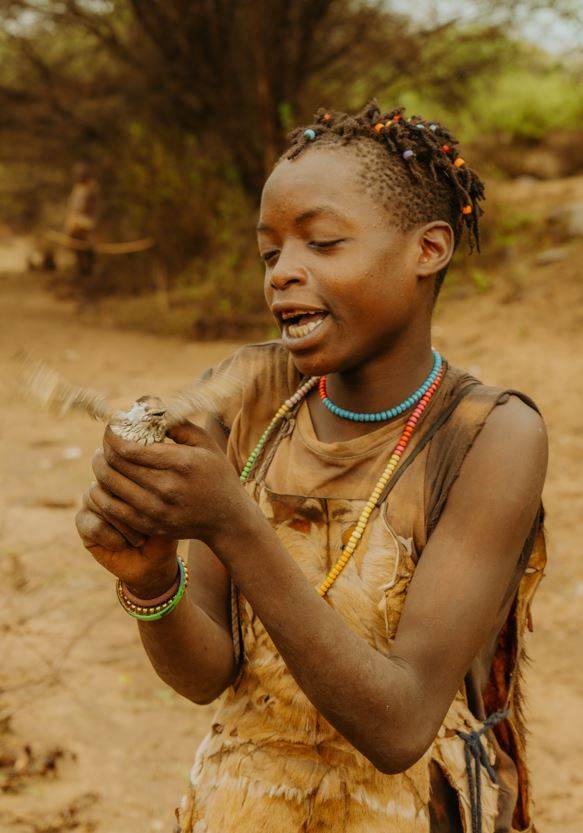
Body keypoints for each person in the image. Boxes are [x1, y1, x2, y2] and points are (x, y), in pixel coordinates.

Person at [75, 103, 548, 833]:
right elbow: (206, 674)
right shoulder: (249, 393)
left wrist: (233, 522)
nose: (283, 274)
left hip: (410, 810)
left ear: (427, 249)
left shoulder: (488, 435)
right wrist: (149, 577)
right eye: (269, 253)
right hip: (243, 805)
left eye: (322, 243)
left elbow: (398, 727)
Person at [64, 162, 99, 277]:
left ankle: (88, 272)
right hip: (79, 223)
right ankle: (82, 272)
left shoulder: (90, 188)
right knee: (79, 250)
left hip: (87, 223)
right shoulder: (79, 188)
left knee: (88, 251)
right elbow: (74, 208)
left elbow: (83, 207)